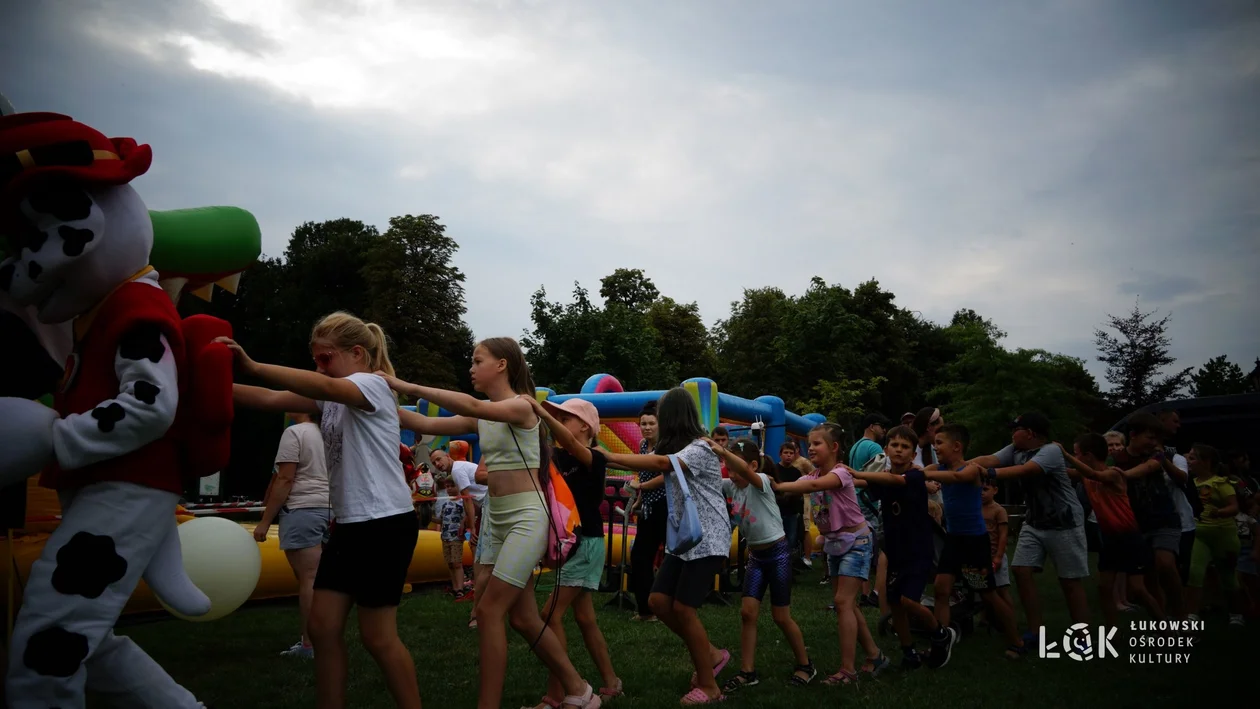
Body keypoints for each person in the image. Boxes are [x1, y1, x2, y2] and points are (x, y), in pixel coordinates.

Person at [388, 337, 602, 709]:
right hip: (499, 520)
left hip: (525, 518)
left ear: (502, 364)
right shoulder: (484, 413)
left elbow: (470, 405)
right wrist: (377, 398)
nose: (470, 367)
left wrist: (407, 386)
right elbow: (421, 420)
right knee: (522, 618)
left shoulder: (522, 406)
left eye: (477, 360)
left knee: (488, 610)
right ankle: (579, 691)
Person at [224, 312, 421, 709]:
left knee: (377, 637)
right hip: (351, 525)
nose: (318, 367)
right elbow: (269, 398)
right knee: (322, 626)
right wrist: (207, 384)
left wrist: (252, 364)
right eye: (315, 359)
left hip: (385, 523)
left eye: (325, 358)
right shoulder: (331, 396)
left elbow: (307, 384)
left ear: (357, 353)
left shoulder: (372, 385)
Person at [602, 388, 731, 705]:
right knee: (659, 601)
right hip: (685, 540)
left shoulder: (699, 448)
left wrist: (605, 456)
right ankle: (712, 654)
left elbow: (662, 463)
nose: (653, 423)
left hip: (708, 539)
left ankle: (710, 687)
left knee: (684, 609)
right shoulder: (681, 449)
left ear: (671, 418)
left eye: (659, 417)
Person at [524, 395, 623, 706]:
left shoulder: (594, 458)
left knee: (549, 614)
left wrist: (541, 411)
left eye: (565, 419)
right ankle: (611, 681)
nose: (559, 425)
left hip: (586, 544)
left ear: (584, 426)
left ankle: (558, 694)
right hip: (576, 544)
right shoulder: (558, 457)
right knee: (584, 617)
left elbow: (568, 440)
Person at [773, 423, 882, 685]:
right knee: (846, 603)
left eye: (817, 443)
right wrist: (768, 483)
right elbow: (796, 486)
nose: (810, 448)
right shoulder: (811, 477)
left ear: (834, 447)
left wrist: (780, 486)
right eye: (809, 444)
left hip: (857, 540)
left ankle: (848, 670)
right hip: (835, 543)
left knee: (843, 603)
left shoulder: (841, 473)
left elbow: (813, 486)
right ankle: (874, 655)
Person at [969, 412, 1090, 637]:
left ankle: (1082, 636)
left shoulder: (1051, 451)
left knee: (1070, 582)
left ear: (1030, 433)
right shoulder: (1015, 449)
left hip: (1064, 523)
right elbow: (988, 459)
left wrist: (990, 473)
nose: (1013, 433)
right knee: (1021, 570)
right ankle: (1035, 632)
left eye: (1016, 429)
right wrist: (958, 466)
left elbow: (1026, 470)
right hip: (1035, 522)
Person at [707, 439, 815, 692]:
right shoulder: (731, 486)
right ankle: (747, 671)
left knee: (781, 616)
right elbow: (704, 480)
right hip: (756, 557)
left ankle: (806, 664)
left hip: (777, 554)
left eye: (735, 469)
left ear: (753, 465)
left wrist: (721, 450)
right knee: (747, 614)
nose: (731, 475)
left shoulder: (762, 482)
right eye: (728, 470)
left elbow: (745, 472)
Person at [850, 425, 951, 670]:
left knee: (908, 600)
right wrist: (837, 478)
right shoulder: (882, 476)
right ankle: (909, 652)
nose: (899, 450)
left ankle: (941, 633)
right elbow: (866, 485)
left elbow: (892, 479)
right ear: (886, 449)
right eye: (894, 445)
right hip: (895, 549)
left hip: (918, 549)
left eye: (905, 447)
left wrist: (854, 471)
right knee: (895, 601)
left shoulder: (915, 476)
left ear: (913, 453)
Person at [923, 424, 1025, 659]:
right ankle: (941, 642)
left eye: (940, 443)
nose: (935, 447)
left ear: (957, 446)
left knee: (987, 594)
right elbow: (916, 470)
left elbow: (956, 477)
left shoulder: (971, 470)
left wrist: (924, 475)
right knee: (941, 589)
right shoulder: (938, 468)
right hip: (954, 540)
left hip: (973, 543)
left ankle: (1016, 641)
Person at [1058, 434, 1163, 627]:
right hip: (1109, 539)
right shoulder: (1084, 474)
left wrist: (1063, 453)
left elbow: (1094, 475)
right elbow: (1065, 472)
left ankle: (1166, 630)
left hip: (1130, 538)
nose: (1074, 456)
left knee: (1138, 590)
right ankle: (1112, 636)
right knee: (1104, 588)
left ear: (1088, 455)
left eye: (1076, 453)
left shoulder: (1113, 474)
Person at [255, 411, 330, 659]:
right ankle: (326, 639)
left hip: (302, 508)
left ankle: (309, 645)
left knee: (309, 579)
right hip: (332, 510)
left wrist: (265, 521)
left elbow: (285, 478)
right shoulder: (331, 433)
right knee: (322, 581)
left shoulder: (295, 433)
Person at [1110, 413, 1187, 621]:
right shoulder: (1118, 459)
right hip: (1136, 524)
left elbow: (1151, 468)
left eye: (1157, 439)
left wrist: (1123, 475)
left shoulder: (1158, 455)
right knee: (1149, 579)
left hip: (1164, 519)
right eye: (1151, 438)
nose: (1155, 443)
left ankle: (1181, 616)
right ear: (1133, 435)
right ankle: (1163, 623)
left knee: (1165, 564)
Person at [1185, 444, 1244, 626]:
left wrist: (1219, 512)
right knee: (1194, 572)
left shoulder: (1221, 483)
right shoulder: (1190, 483)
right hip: (1199, 534)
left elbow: (1234, 507)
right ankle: (1192, 613)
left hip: (1223, 534)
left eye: (1193, 458)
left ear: (1206, 462)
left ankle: (1236, 613)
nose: (1188, 461)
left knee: (1228, 576)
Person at [431, 447, 485, 618]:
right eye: (434, 463)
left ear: (448, 456)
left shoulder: (457, 470)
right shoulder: (457, 469)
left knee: (478, 550)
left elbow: (467, 500)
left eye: (439, 459)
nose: (437, 464)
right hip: (485, 506)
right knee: (477, 549)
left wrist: (472, 528)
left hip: (490, 504)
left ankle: (479, 595)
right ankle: (478, 590)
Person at [627, 400, 665, 622]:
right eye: (643, 423)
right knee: (640, 556)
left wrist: (642, 488)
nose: (647, 427)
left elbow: (665, 476)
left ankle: (670, 606)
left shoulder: (666, 446)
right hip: (648, 508)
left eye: (651, 423)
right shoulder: (642, 446)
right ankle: (646, 610)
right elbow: (644, 474)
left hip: (667, 507)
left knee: (670, 557)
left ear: (659, 424)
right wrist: (639, 500)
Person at [849, 413, 889, 607]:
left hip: (855, 499)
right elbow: (880, 475)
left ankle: (863, 592)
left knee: (861, 545)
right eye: (882, 426)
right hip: (869, 501)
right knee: (876, 547)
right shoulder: (874, 447)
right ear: (872, 426)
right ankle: (874, 592)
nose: (884, 431)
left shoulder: (855, 446)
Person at [1104, 430, 1133, 611]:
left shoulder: (1125, 463)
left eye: (1117, 444)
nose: (1114, 448)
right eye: (1110, 445)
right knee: (1113, 563)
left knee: (1124, 561)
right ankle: (1115, 600)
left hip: (1125, 516)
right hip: (1109, 517)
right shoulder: (1106, 465)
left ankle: (1123, 598)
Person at [980, 480, 1015, 618]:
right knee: (984, 589)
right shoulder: (976, 508)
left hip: (995, 555)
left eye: (985, 489)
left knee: (1001, 589)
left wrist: (999, 556)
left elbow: (1003, 535)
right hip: (981, 555)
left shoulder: (999, 510)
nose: (981, 493)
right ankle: (988, 617)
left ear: (995, 490)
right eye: (979, 489)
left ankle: (1010, 616)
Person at [437, 476, 472, 601]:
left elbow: (468, 517)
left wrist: (464, 523)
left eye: (452, 486)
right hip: (445, 537)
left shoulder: (463, 502)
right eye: (447, 487)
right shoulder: (445, 503)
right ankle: (455, 587)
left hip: (456, 537)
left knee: (457, 563)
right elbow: (440, 519)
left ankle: (460, 588)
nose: (450, 489)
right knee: (450, 563)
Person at [772, 441, 806, 570]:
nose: (788, 456)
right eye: (786, 453)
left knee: (791, 540)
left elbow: (800, 490)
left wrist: (790, 494)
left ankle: (788, 568)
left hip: (792, 511)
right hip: (777, 511)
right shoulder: (775, 470)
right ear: (780, 454)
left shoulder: (796, 472)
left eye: (791, 453)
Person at [911, 407, 945, 506]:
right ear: (928, 427)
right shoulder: (908, 447)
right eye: (940, 429)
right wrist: (923, 484)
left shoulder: (932, 449)